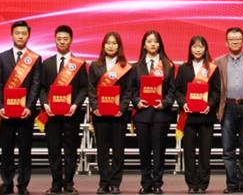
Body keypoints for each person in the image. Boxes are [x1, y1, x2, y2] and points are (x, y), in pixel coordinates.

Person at [38, 25, 89, 195]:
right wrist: (45, 104)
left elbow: (84, 88)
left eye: (65, 39)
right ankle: (55, 183)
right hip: (51, 115)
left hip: (71, 114)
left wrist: (76, 105)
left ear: (71, 40)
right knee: (53, 150)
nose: (62, 41)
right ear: (55, 40)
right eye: (59, 39)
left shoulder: (79, 64)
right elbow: (42, 88)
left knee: (70, 150)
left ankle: (69, 184)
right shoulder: (46, 64)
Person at [0, 20, 42, 195]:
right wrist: (0, 107)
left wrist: (29, 106)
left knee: (25, 150)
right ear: (12, 35)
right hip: (6, 112)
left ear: (29, 35)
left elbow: (36, 84)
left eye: (24, 33)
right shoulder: (2, 57)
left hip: (25, 113)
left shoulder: (35, 58)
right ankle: (7, 182)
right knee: (6, 149)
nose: (20, 36)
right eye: (17, 33)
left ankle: (23, 184)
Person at [130, 31, 177, 194]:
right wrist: (136, 101)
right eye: (149, 41)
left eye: (156, 41)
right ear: (144, 45)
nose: (152, 44)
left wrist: (165, 103)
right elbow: (132, 90)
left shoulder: (168, 65)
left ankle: (157, 183)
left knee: (159, 151)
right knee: (144, 151)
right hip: (142, 114)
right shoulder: (136, 66)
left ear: (160, 45)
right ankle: (145, 183)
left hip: (160, 114)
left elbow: (172, 90)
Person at [215, 27, 243, 194]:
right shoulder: (218, 62)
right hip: (227, 107)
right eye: (231, 39)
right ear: (226, 42)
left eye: (238, 39)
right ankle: (232, 185)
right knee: (228, 150)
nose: (235, 41)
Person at [175, 36, 221, 193]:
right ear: (190, 49)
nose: (198, 49)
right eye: (194, 46)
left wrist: (210, 105)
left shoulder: (212, 68)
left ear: (205, 49)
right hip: (188, 117)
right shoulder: (183, 68)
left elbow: (216, 91)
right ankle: (191, 184)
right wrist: (183, 103)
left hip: (206, 116)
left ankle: (202, 184)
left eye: (201, 46)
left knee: (205, 152)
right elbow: (178, 90)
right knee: (188, 152)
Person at [88, 32, 133, 194]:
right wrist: (95, 107)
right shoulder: (95, 66)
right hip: (100, 115)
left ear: (119, 46)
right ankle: (104, 182)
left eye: (114, 43)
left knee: (118, 151)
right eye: (108, 43)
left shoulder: (125, 67)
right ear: (103, 45)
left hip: (118, 116)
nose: (111, 46)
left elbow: (128, 91)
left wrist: (122, 108)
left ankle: (115, 183)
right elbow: (91, 89)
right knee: (102, 151)